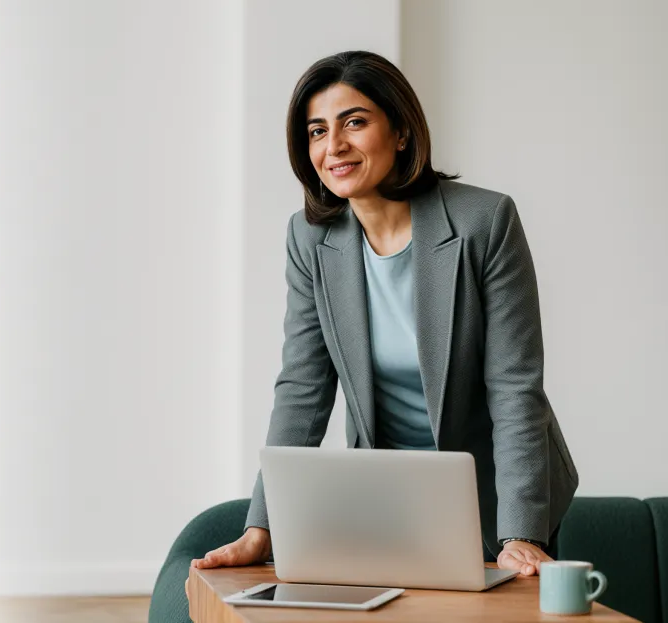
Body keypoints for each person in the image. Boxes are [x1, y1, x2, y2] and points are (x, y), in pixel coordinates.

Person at [189, 50, 579, 586]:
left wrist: (522, 536)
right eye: (317, 130)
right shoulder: (310, 238)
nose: (334, 146)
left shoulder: (484, 222)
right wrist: (263, 527)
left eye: (354, 122)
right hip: (389, 501)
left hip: (498, 497)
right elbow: (302, 386)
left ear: (399, 132)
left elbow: (515, 388)